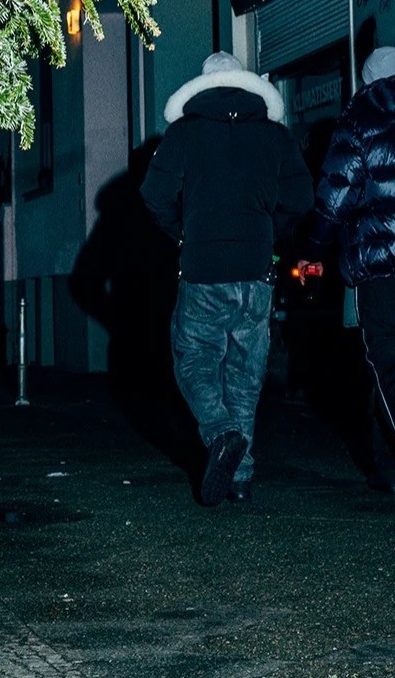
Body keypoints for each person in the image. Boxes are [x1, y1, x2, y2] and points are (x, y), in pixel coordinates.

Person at [140, 51, 314, 506]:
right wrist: (267, 233)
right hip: (258, 270)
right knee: (245, 372)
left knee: (193, 356)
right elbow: (302, 196)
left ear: (204, 89)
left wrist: (184, 231)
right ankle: (240, 477)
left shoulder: (185, 133)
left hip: (203, 269)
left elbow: (154, 194)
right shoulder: (275, 136)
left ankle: (220, 434)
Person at [310, 45, 395, 506]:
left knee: (387, 365)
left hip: (381, 265)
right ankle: (389, 469)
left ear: (368, 78)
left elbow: (334, 196)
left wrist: (313, 247)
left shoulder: (361, 120)